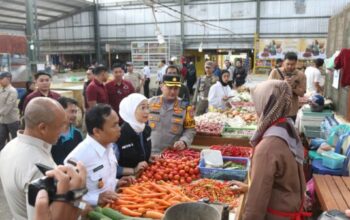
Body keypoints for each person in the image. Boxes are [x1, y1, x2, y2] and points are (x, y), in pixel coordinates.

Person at [243, 80, 308, 220]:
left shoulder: (267, 148)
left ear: (266, 105)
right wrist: (248, 187)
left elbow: (256, 205)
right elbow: (281, 181)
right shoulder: (287, 128)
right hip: (291, 208)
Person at [0, 97, 66, 220]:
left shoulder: (9, 147)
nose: (62, 131)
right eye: (60, 126)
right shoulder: (40, 168)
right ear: (42, 128)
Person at [64, 104, 134, 206]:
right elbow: (67, 196)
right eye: (114, 125)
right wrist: (95, 198)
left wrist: (116, 182)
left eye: (118, 124)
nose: (119, 129)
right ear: (97, 131)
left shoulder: (109, 146)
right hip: (92, 213)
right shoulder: (77, 157)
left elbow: (100, 180)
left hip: (112, 206)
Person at [149, 74, 196, 154]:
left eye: (176, 88)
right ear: (161, 86)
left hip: (173, 155)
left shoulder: (186, 106)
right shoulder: (149, 103)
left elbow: (190, 129)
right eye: (170, 88)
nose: (173, 91)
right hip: (150, 152)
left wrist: (184, 141)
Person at [116, 93, 151, 178]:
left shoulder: (146, 129)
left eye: (148, 107)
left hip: (143, 177)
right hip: (125, 182)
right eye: (143, 108)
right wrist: (133, 170)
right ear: (131, 110)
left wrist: (148, 158)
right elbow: (110, 168)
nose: (147, 111)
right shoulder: (119, 134)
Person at [268, 52, 306, 121]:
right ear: (283, 62)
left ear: (296, 63)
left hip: (291, 111)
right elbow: (268, 88)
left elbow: (302, 93)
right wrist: (283, 84)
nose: (290, 67)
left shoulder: (301, 75)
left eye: (293, 64)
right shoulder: (275, 72)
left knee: (288, 130)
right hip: (276, 110)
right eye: (287, 64)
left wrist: (293, 86)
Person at [51, 97, 83, 165]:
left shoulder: (77, 134)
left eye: (75, 112)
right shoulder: (50, 133)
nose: (74, 115)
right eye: (71, 111)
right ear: (60, 111)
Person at [0, 71, 20, 151]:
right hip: (2, 121)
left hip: (12, 121)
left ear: (8, 79)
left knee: (16, 140)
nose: (0, 80)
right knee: (1, 139)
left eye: (1, 79)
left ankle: (17, 155)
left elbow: (8, 106)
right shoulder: (1, 90)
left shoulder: (12, 91)